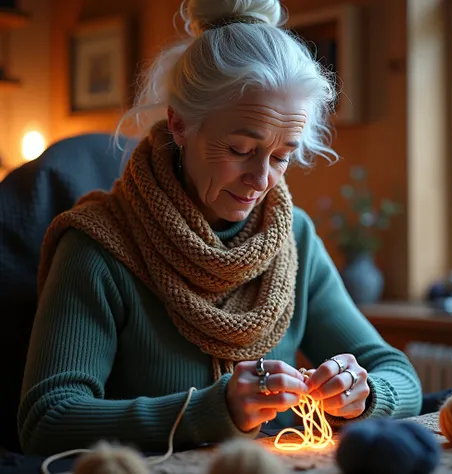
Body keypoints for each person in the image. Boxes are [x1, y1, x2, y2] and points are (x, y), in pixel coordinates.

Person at [18, 0, 422, 456]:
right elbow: (47, 417)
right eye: (239, 148)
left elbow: (398, 374)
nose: (261, 179)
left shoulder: (294, 238)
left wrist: (363, 393)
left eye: (282, 156)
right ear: (180, 123)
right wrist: (209, 410)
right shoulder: (98, 246)